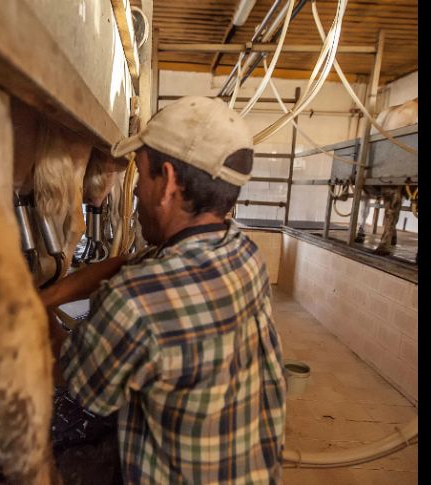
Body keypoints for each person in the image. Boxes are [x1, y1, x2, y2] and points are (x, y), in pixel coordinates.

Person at [40, 96, 287, 484]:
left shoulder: (135, 302)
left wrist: (33, 312)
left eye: (140, 175)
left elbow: (72, 375)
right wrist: (49, 297)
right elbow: (129, 264)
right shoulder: (241, 250)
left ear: (168, 182)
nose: (135, 192)